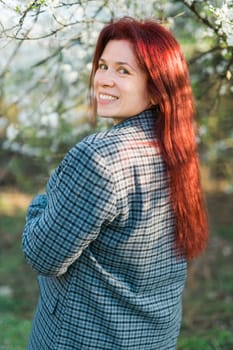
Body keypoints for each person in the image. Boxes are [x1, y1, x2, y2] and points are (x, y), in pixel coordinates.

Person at [22, 17, 208, 350]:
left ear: (156, 89)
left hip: (83, 339)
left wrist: (41, 204)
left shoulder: (98, 157)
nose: (104, 80)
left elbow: (43, 255)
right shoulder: (178, 148)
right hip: (153, 338)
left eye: (123, 71)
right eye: (103, 66)